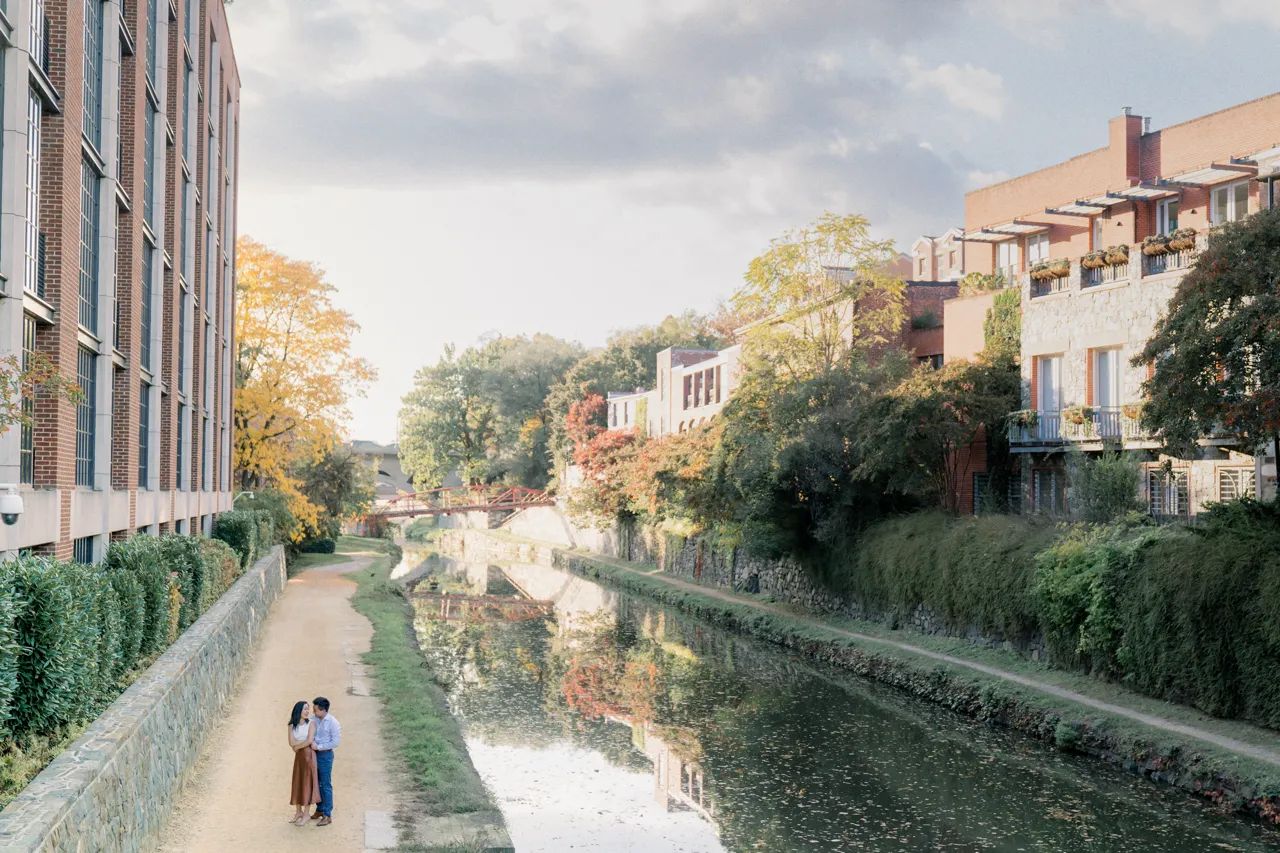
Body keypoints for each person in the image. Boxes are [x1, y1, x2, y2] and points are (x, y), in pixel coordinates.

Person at [287, 701, 320, 827]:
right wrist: (299, 745)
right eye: (305, 709)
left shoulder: (311, 723)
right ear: (298, 711)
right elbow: (291, 742)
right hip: (299, 757)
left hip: (309, 756)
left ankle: (306, 813)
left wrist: (297, 747)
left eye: (308, 709)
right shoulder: (292, 725)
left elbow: (310, 741)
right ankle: (298, 812)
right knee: (297, 781)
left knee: (307, 783)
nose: (307, 712)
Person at [310, 696, 342, 826]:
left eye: (315, 709)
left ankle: (328, 814)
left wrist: (319, 747)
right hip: (314, 754)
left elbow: (336, 742)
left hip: (325, 755)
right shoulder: (314, 719)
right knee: (316, 783)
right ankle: (320, 808)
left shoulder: (333, 723)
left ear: (323, 710)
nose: (313, 712)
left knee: (325, 784)